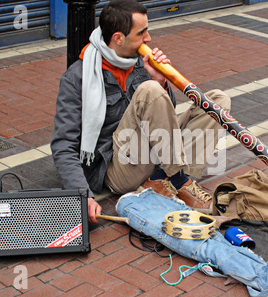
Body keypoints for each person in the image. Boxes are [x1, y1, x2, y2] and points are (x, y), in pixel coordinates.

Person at [51, 0, 231, 224]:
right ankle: (178, 181)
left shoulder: (139, 62)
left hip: (154, 151)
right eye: (142, 32)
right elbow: (63, 145)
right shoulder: (77, 77)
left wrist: (161, 82)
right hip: (120, 167)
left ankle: (166, 180)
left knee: (216, 101)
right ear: (118, 38)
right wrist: (82, 194)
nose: (148, 38)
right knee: (149, 90)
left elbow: (164, 114)